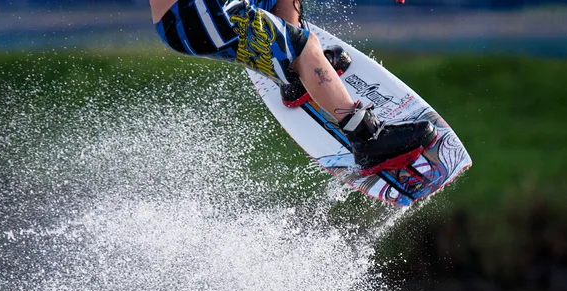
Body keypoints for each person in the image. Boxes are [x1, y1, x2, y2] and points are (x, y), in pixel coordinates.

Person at [149, 0, 437, 176]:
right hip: (196, 14)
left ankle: (296, 74)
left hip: (204, 11)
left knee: (300, 50)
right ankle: (367, 139)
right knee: (306, 48)